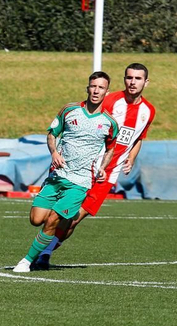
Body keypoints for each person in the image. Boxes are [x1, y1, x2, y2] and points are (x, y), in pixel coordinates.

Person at [32, 63, 156, 268]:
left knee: (74, 219)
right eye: (129, 78)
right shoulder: (111, 100)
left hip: (109, 174)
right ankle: (38, 251)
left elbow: (138, 138)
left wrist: (131, 158)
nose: (132, 82)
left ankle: (44, 254)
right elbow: (84, 113)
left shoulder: (148, 111)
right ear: (124, 79)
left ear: (146, 82)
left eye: (138, 78)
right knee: (57, 216)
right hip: (84, 167)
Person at [12, 72, 118, 273]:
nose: (96, 91)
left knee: (52, 220)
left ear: (107, 91)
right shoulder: (69, 110)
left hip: (80, 182)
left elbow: (111, 147)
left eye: (101, 87)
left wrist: (102, 167)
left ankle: (26, 261)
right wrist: (54, 153)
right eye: (93, 86)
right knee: (36, 219)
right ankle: (66, 217)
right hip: (57, 176)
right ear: (87, 88)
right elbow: (52, 134)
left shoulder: (109, 123)